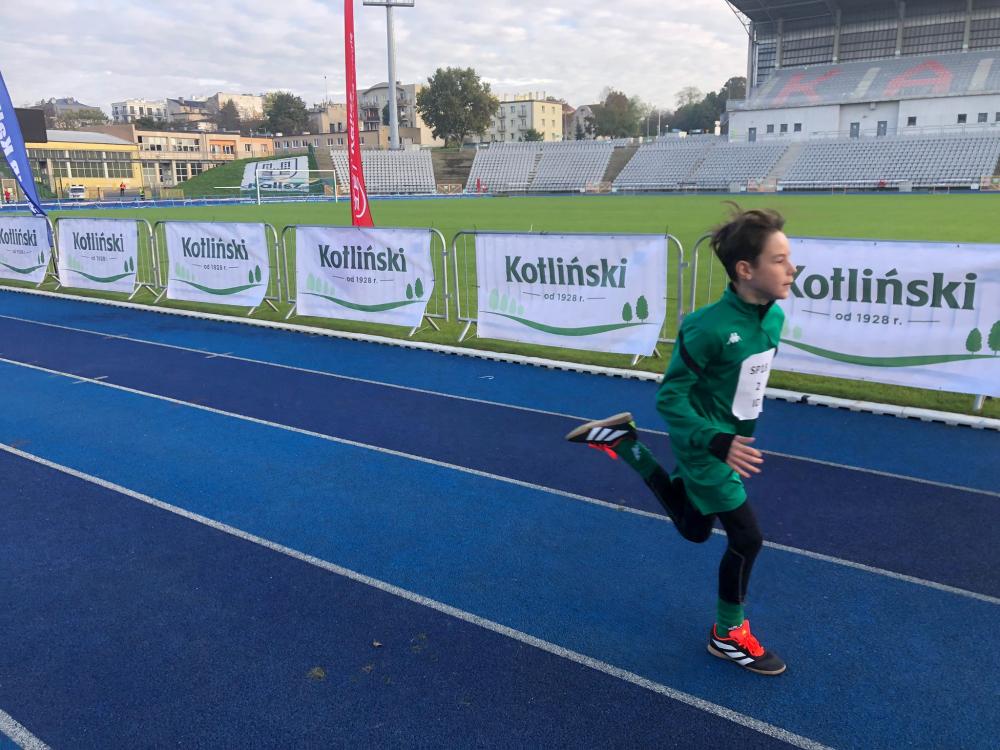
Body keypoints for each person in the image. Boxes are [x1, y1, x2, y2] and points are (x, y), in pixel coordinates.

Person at [565, 205, 795, 676]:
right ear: (745, 269)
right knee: (747, 539)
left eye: (789, 258)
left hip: (730, 444)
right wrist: (715, 441)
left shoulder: (773, 320)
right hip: (707, 446)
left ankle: (626, 444)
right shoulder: (706, 327)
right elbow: (670, 399)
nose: (791, 269)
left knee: (694, 529)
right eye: (779, 260)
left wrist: (735, 433)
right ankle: (728, 635)